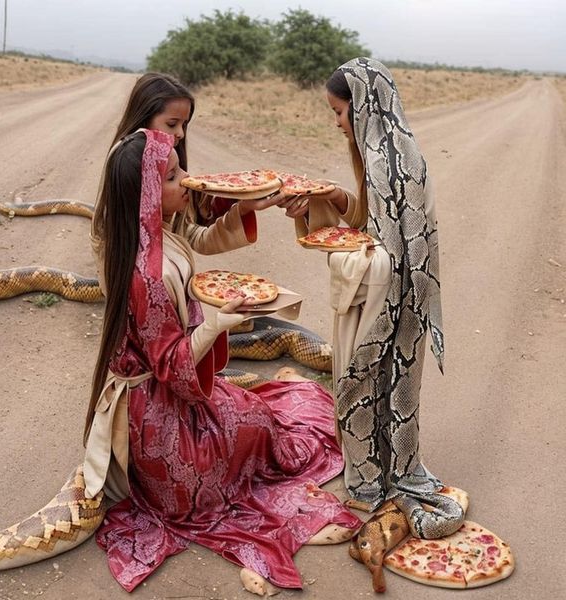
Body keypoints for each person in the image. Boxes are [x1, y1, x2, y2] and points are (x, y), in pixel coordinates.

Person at [82, 128, 362, 593]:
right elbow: (172, 367)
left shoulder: (146, 234)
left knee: (257, 414)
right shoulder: (145, 273)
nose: (187, 180)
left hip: (166, 392)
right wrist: (218, 322)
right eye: (173, 176)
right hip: (157, 413)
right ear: (148, 194)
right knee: (257, 437)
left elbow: (199, 225)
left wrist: (245, 204)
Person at [278, 57, 464, 537]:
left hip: (390, 301)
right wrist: (334, 201)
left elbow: (392, 255)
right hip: (382, 293)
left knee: (364, 384)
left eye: (340, 112)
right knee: (371, 389)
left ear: (363, 108)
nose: (337, 123)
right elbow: (371, 221)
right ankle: (374, 474)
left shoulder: (393, 161)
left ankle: (374, 482)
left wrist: (344, 248)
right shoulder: (383, 152)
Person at [91, 72, 277, 260]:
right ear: (143, 119)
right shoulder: (124, 164)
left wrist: (243, 204)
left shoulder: (173, 173)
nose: (180, 133)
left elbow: (192, 235)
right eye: (172, 124)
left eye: (184, 124)